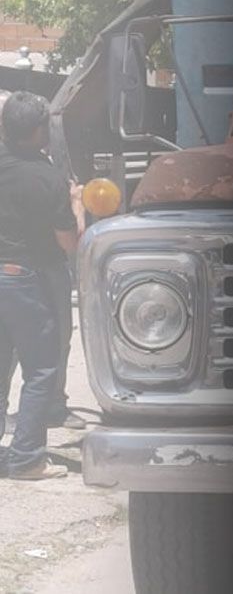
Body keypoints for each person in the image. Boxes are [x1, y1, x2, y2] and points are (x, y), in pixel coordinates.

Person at [0, 92, 85, 479]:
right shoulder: (48, 177)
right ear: (38, 131)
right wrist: (78, 206)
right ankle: (26, 458)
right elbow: (69, 243)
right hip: (27, 280)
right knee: (41, 370)